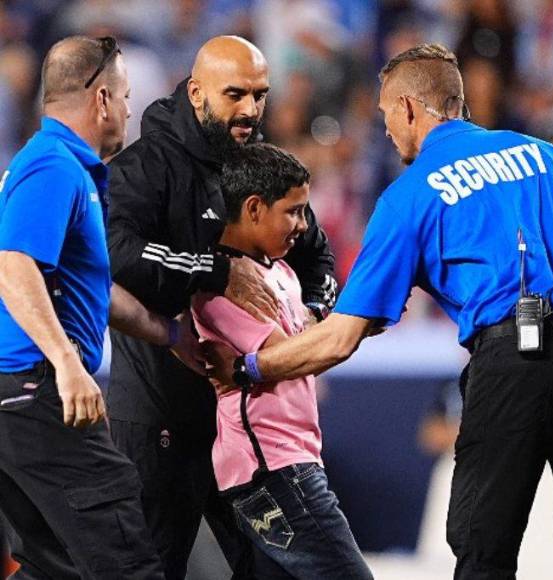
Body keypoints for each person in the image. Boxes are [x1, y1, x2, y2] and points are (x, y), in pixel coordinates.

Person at [206, 43, 553, 579]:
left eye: (387, 114)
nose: (386, 130)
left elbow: (342, 336)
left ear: (409, 108)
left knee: (484, 549)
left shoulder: (409, 196)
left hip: (510, 364)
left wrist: (250, 367)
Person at [104, 36, 338, 578]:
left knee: (276, 571)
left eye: (260, 95)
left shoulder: (257, 163)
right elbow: (115, 256)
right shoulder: (146, 167)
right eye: (235, 94)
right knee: (150, 568)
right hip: (162, 414)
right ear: (196, 91)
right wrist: (217, 269)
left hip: (246, 428)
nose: (250, 110)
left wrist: (311, 317)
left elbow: (317, 253)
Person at [0, 35, 199, 580]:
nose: (132, 109)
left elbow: (95, 289)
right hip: (37, 388)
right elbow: (13, 266)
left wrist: (169, 334)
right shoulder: (53, 166)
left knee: (55, 566)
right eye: (128, 96)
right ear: (102, 99)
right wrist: (66, 365)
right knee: (127, 560)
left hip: (17, 395)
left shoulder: (60, 167)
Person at [190, 143, 373, 579]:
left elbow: (307, 343)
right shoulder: (227, 286)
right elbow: (295, 355)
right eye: (293, 212)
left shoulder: (284, 273)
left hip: (290, 461)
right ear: (253, 208)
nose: (303, 226)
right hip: (271, 469)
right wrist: (360, 320)